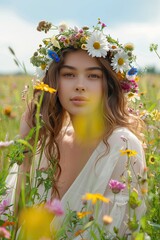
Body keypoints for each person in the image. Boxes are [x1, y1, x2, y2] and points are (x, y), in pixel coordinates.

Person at [6, 19, 147, 239]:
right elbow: (12, 224)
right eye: (69, 74)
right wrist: (26, 145)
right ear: (53, 82)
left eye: (93, 76)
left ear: (107, 86)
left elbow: (117, 231)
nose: (80, 85)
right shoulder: (49, 142)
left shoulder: (122, 145)